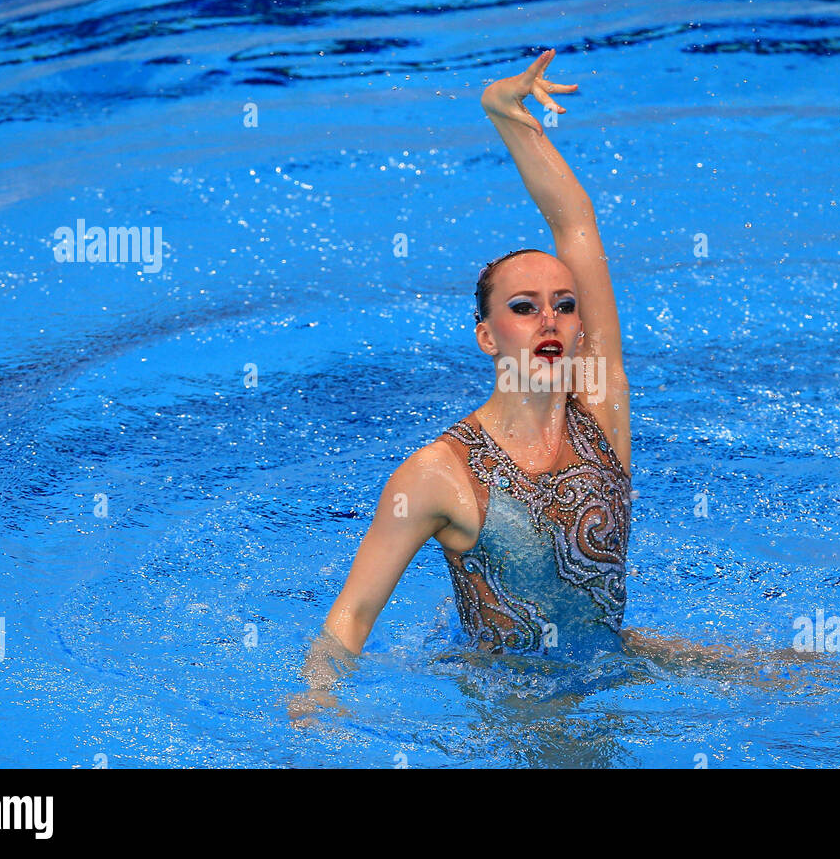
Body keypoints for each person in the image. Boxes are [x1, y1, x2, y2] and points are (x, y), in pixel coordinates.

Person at [295, 50, 809, 715]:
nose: (550, 318)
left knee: (822, 681)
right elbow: (350, 620)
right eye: (523, 306)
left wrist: (508, 117)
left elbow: (576, 224)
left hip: (616, 658)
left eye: (565, 305)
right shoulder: (438, 474)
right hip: (516, 702)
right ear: (487, 336)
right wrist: (316, 705)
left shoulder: (601, 406)